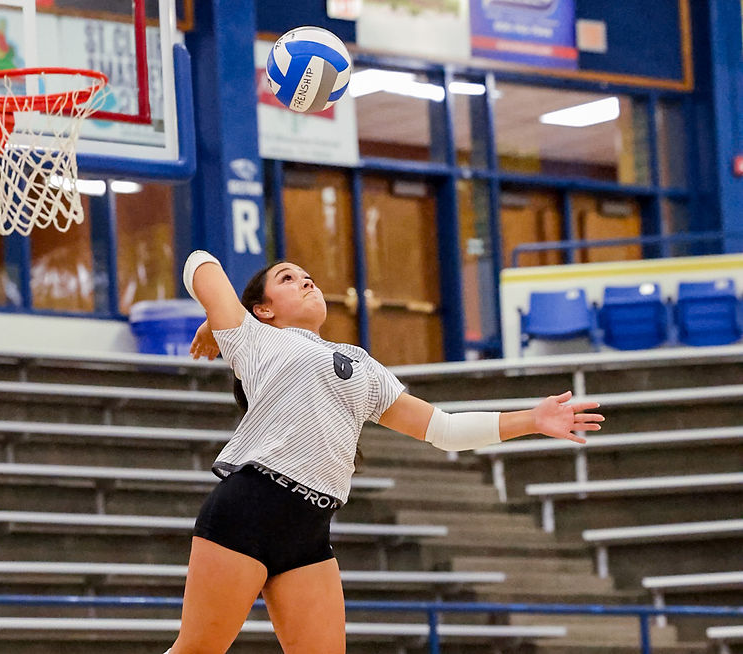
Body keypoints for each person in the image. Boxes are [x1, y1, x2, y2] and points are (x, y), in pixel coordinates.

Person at [164, 250, 604, 654]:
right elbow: (199, 262)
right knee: (198, 650)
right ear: (264, 308)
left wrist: (531, 419)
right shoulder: (254, 339)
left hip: (309, 528)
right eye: (288, 277)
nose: (306, 281)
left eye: (309, 276)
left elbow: (444, 429)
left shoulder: (360, 363)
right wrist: (219, 318)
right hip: (250, 507)